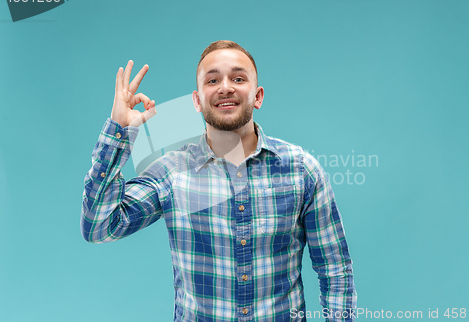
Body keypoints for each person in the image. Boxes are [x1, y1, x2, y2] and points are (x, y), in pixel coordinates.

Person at [81, 40, 356, 321]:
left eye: (238, 78)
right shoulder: (171, 173)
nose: (226, 86)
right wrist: (119, 132)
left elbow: (335, 270)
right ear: (197, 101)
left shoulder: (301, 170)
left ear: (258, 96)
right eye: (213, 80)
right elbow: (100, 227)